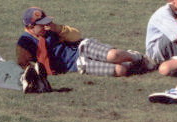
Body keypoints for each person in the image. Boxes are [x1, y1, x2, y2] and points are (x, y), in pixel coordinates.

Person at [16, 7, 153, 77]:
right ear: (29, 27)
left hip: (82, 48)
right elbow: (24, 63)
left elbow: (76, 36)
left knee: (113, 56)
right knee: (120, 70)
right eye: (41, 24)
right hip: (78, 64)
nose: (46, 26)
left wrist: (57, 28)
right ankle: (135, 64)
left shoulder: (52, 29)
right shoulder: (25, 42)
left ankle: (140, 58)